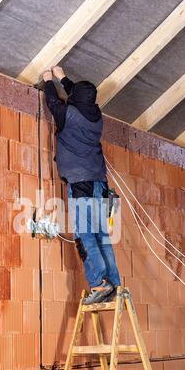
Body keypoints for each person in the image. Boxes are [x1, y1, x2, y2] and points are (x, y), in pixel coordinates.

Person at [43, 66, 121, 305]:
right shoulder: (97, 116)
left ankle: (99, 284)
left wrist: (48, 81)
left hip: (80, 184)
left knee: (84, 235)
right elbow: (76, 95)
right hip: (100, 184)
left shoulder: (69, 115)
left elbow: (53, 103)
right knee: (101, 236)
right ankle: (114, 284)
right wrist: (62, 77)